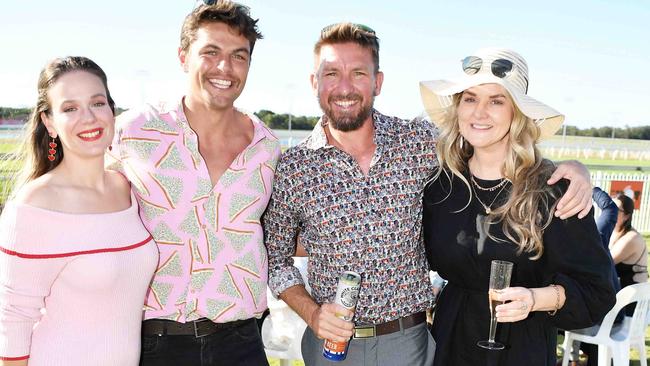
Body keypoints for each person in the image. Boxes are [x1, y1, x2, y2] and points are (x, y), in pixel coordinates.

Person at [264, 23, 594, 366]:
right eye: (331, 73)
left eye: (359, 73)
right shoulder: (292, 168)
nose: (344, 86)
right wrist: (312, 313)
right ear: (314, 82)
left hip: (409, 343)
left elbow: (492, 144)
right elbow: (276, 259)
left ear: (377, 82)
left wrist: (573, 170)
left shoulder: (418, 142)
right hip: (331, 347)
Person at [106, 2, 281, 365]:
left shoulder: (267, 148)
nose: (225, 68)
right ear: (183, 56)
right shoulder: (132, 132)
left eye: (239, 56)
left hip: (242, 343)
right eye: (211, 52)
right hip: (156, 343)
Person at [420, 47, 616, 366]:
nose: (479, 112)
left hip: (522, 348)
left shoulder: (552, 191)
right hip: (450, 341)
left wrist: (535, 299)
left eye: (497, 100)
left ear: (518, 113)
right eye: (470, 98)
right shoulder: (440, 186)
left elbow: (597, 291)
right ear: (457, 108)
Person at [0, 57, 158, 366]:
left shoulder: (125, 188)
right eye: (70, 108)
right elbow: (11, 319)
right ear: (49, 122)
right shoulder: (35, 205)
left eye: (97, 103)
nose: (88, 117)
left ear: (112, 111)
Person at [610, 192, 648, 316]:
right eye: (609, 206)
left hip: (631, 303)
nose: (611, 211)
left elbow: (604, 261)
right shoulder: (613, 232)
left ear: (626, 216)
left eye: (615, 209)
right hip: (619, 297)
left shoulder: (631, 238)